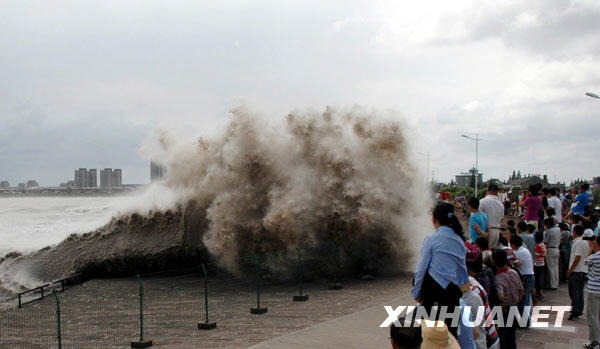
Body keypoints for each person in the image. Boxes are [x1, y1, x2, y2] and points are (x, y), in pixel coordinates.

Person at [412, 202, 469, 338]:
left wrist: (416, 292)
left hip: (431, 293)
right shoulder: (459, 240)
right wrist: (464, 290)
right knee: (451, 335)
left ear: (434, 219)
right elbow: (462, 270)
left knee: (429, 335)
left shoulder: (431, 239)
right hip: (452, 294)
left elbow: (421, 269)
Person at [492, 249, 523, 349]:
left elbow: (501, 296)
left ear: (494, 261)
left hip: (504, 310)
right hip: (514, 307)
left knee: (503, 336)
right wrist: (517, 301)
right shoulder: (514, 272)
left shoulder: (498, 278)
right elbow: (521, 290)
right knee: (512, 335)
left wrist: (501, 303)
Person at [510, 235, 535, 326]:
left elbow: (517, 264)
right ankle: (524, 321)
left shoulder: (520, 252)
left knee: (523, 301)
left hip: (526, 278)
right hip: (529, 277)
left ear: (513, 244)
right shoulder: (524, 250)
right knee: (525, 300)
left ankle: (525, 322)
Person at [567, 225, 589, 320]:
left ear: (575, 232)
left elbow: (577, 257)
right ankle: (578, 309)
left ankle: (575, 310)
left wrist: (570, 270)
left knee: (574, 291)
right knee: (579, 291)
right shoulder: (584, 242)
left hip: (577, 270)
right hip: (582, 270)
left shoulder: (579, 242)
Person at [584, 235, 600, 349]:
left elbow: (586, 261)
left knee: (592, 316)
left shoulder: (594, 257)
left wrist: (591, 249)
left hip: (594, 290)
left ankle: (595, 341)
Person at [480, 184, 504, 249]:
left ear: (488, 190)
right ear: (497, 192)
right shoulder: (501, 204)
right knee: (492, 252)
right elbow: (501, 219)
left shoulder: (482, 201)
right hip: (497, 231)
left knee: (484, 253)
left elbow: (478, 217)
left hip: (486, 231)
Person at [543, 218, 561, 290]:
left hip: (550, 249)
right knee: (555, 267)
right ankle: (556, 284)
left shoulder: (549, 231)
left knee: (550, 268)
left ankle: (552, 285)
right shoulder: (558, 230)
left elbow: (545, 242)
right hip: (557, 249)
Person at [534, 231, 547, 302]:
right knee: (539, 279)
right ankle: (540, 293)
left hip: (538, 264)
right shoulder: (543, 245)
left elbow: (536, 255)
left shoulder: (539, 246)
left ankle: (538, 294)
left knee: (537, 280)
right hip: (542, 263)